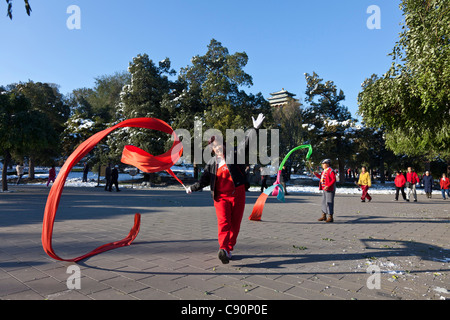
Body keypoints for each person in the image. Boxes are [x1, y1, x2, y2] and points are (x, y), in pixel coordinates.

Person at [186, 114, 265, 264]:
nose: (216, 148)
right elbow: (204, 180)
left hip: (238, 194)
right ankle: (223, 248)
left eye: (218, 145)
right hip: (220, 197)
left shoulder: (235, 155)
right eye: (213, 146)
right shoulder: (211, 163)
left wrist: (254, 129)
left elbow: (245, 144)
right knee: (224, 222)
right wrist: (192, 188)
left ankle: (229, 248)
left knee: (235, 225)